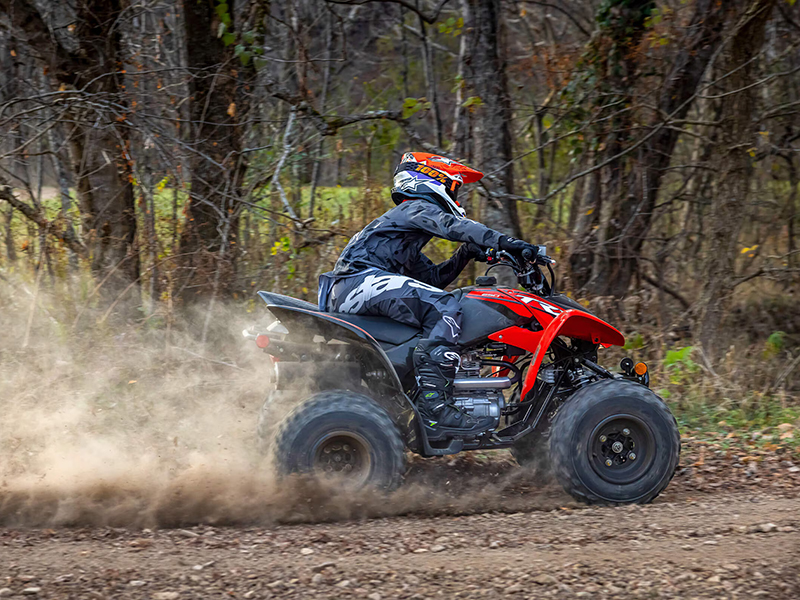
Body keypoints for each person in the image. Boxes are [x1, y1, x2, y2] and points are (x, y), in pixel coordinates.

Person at [318, 152, 538, 437]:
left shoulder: (400, 231)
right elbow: (454, 226)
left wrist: (465, 254)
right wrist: (509, 243)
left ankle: (418, 392)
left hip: (353, 285)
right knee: (446, 306)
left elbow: (433, 279)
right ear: (431, 180)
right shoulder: (415, 207)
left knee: (441, 299)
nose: (456, 198)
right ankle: (435, 406)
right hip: (356, 282)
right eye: (454, 187)